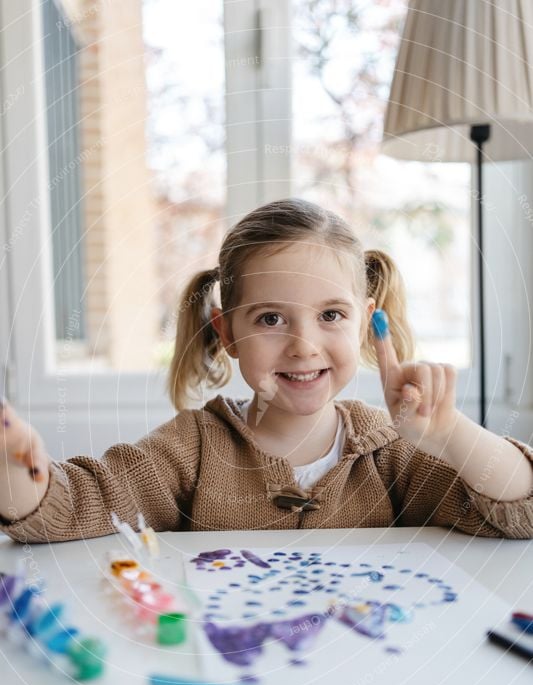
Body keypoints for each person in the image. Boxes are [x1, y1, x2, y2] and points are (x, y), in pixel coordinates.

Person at [1, 198, 532, 543]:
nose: (304, 346)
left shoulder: (390, 449)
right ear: (227, 332)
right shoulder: (194, 447)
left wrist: (450, 434)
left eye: (331, 315)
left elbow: (517, 511)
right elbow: (86, 503)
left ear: (367, 322)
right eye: (271, 318)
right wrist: (17, 474)